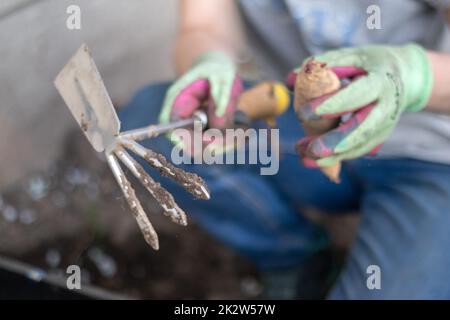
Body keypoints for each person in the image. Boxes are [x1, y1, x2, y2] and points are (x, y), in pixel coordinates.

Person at [119, 0, 450, 299]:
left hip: (433, 155)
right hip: (308, 126)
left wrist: (412, 75)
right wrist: (209, 63)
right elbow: (202, 25)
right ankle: (295, 256)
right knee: (154, 132)